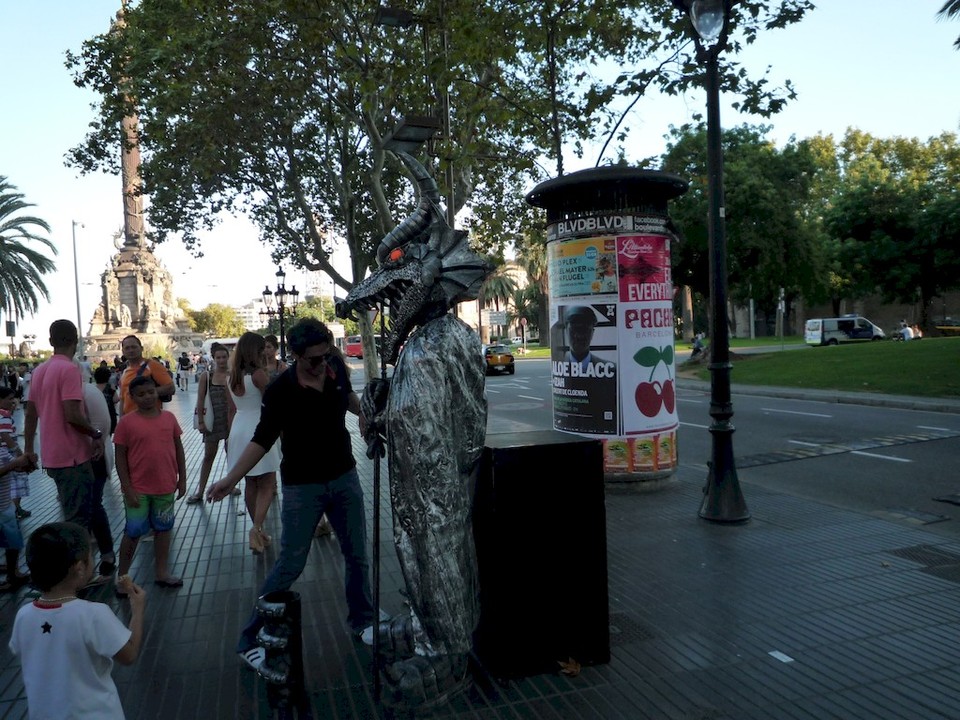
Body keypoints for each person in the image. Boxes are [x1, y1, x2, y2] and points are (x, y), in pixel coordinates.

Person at [207, 319, 377, 672]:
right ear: (296, 355)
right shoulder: (280, 390)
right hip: (303, 487)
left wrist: (365, 415)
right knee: (290, 565)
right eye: (313, 359)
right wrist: (230, 478)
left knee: (358, 554)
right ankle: (248, 637)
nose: (321, 363)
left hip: (344, 477)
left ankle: (363, 620)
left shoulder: (334, 370)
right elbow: (263, 438)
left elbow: (347, 398)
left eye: (326, 355)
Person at [9, 522, 146, 719]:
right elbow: (129, 654)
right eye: (91, 555)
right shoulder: (94, 615)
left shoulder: (24, 615)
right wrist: (138, 609)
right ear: (80, 567)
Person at [23, 320, 114, 586]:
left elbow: (30, 414)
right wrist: (96, 435)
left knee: (74, 515)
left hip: (53, 457)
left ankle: (75, 576)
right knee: (78, 522)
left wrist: (29, 449)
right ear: (76, 339)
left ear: (51, 341)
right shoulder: (70, 370)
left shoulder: (40, 371)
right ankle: (78, 579)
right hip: (74, 457)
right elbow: (73, 415)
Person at [113, 376, 187, 592]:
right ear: (132, 397)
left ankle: (162, 571)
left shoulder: (169, 419)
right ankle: (123, 577)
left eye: (151, 392)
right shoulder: (126, 423)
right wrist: (127, 487)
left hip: (165, 487)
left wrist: (182, 478)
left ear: (157, 392)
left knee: (164, 530)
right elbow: (120, 457)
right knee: (133, 531)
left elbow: (179, 449)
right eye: (141, 394)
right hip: (138, 489)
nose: (147, 397)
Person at [222, 332, 280, 553]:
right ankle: (256, 528)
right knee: (267, 482)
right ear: (255, 351)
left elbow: (231, 410)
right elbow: (272, 403)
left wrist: (229, 438)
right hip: (259, 427)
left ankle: (259, 530)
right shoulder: (258, 375)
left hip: (238, 427)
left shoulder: (230, 377)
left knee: (250, 483)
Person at [186, 343, 236, 504]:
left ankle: (231, 485)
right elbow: (200, 400)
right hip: (212, 421)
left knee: (232, 454)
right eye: (218, 357)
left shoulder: (233, 375)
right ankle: (200, 490)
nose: (221, 360)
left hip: (230, 420)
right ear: (213, 359)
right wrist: (201, 421)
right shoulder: (206, 376)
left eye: (224, 357)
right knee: (209, 455)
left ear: (228, 358)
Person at [0, 427, 34, 590]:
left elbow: (14, 465)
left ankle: (13, 575)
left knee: (13, 543)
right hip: (4, 506)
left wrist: (27, 464)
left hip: (5, 505)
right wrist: (16, 463)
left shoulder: (2, 449)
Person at [117, 335, 175, 416]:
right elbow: (123, 399)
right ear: (123, 351)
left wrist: (145, 393)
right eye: (127, 348)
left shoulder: (153, 366)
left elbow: (170, 388)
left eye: (134, 347)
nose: (131, 350)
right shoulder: (125, 371)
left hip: (150, 418)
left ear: (141, 348)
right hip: (130, 420)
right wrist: (121, 421)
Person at [0, 387, 32, 520]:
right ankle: (15, 509)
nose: (12, 402)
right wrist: (18, 454)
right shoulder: (4, 415)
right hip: (8, 454)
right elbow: (5, 435)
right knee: (18, 481)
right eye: (9, 399)